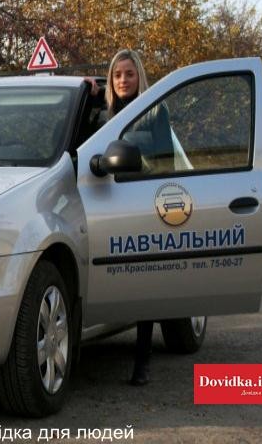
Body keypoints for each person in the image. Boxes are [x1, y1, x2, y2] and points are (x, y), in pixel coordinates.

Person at [87, 49, 156, 386]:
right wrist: (90, 91)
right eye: (117, 74)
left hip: (142, 202)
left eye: (129, 73)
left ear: (139, 75)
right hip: (104, 204)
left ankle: (142, 362)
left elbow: (162, 158)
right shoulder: (102, 114)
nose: (123, 80)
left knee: (143, 284)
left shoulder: (154, 112)